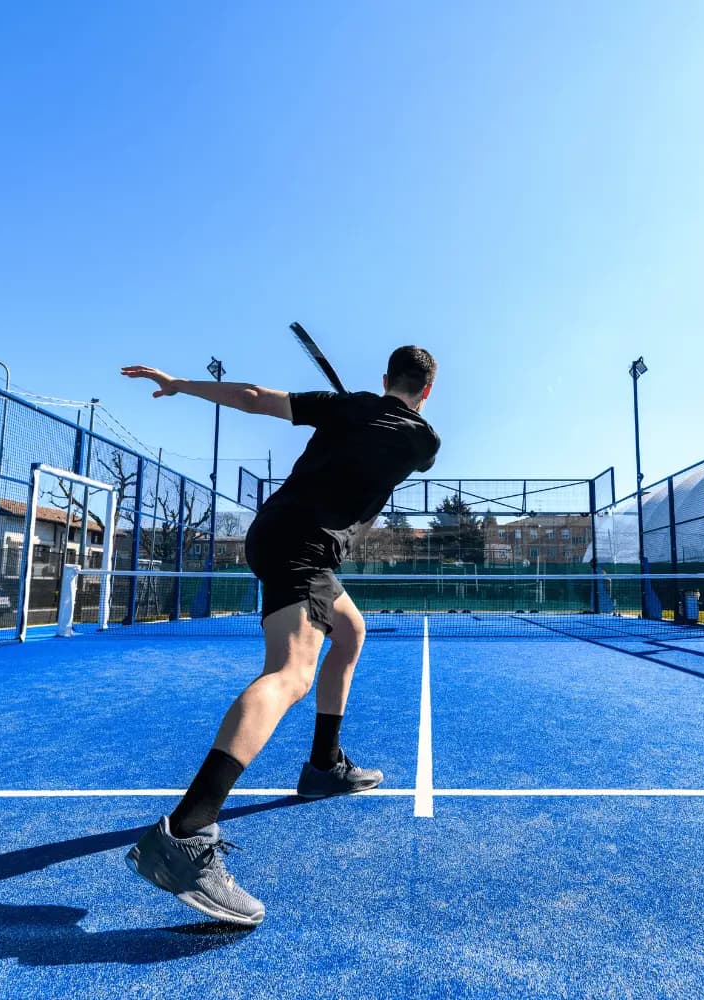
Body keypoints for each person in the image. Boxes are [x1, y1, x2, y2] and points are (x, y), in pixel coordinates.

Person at [119, 347, 439, 926]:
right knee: (290, 674)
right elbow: (411, 455)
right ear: (427, 390)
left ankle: (323, 766)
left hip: (281, 532)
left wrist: (182, 384)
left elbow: (253, 398)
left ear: (386, 378)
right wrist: (376, 415)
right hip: (304, 546)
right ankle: (187, 833)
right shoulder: (424, 438)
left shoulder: (346, 408)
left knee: (350, 632)